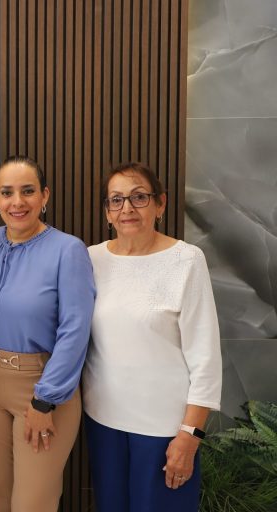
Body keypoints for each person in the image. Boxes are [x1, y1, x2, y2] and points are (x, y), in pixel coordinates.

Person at [82, 162, 222, 511]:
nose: (127, 208)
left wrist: (190, 435)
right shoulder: (90, 259)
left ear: (160, 204)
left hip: (165, 430)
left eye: (139, 197)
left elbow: (205, 358)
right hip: (102, 421)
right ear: (107, 212)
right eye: (116, 200)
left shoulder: (186, 260)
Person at [0, 156, 95, 511]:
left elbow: (75, 329)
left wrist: (45, 399)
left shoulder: (68, 250)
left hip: (41, 388)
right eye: (7, 193)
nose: (17, 202)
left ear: (45, 196)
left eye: (27, 191)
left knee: (32, 503)